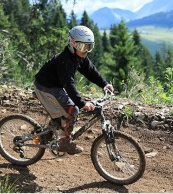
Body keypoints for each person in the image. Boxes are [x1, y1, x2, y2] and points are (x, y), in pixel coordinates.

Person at [34, 25, 114, 155]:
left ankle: (48, 132)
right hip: (45, 87)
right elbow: (68, 84)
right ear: (72, 43)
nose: (85, 51)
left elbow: (90, 71)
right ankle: (65, 142)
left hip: (57, 86)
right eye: (83, 47)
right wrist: (82, 103)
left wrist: (104, 84)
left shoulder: (78, 56)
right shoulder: (65, 61)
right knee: (73, 109)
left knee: (66, 110)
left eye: (89, 47)